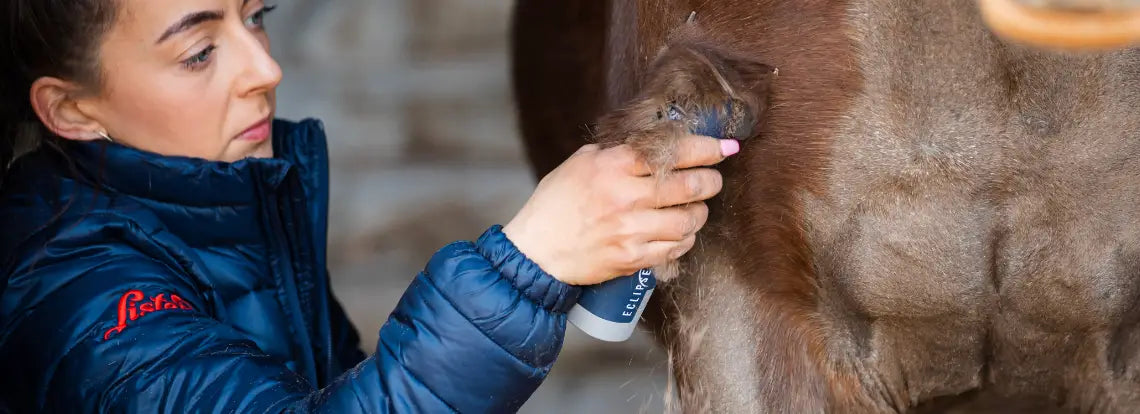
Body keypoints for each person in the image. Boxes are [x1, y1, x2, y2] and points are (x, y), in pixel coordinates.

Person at [0, 0, 738, 412]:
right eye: (199, 52)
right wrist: (527, 266)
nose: (266, 68)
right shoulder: (75, 294)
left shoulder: (225, 206)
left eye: (254, 16)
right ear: (70, 109)